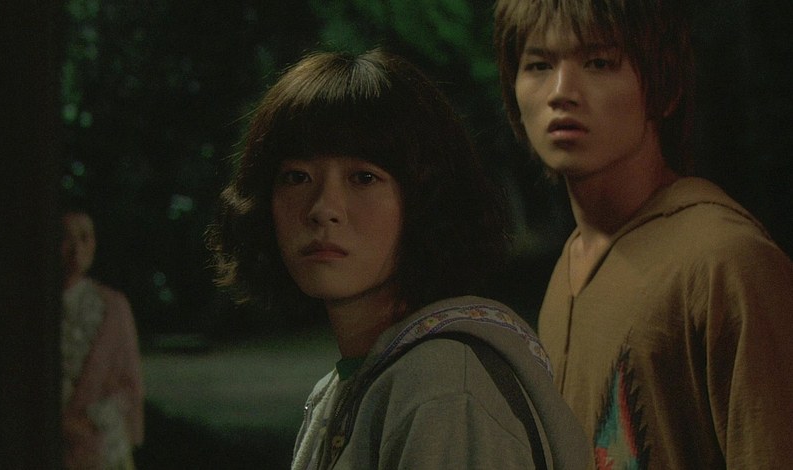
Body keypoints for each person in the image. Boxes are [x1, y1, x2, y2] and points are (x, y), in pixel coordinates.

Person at [207, 49, 589, 469]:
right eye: (297, 177)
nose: (323, 208)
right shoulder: (351, 386)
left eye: (363, 177)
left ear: (426, 200)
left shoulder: (443, 390)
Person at [493, 0, 793, 468]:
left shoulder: (724, 259)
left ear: (663, 89)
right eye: (538, 65)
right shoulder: (569, 268)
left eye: (598, 62)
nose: (562, 92)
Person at [60, 210, 145, 469]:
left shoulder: (113, 307)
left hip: (103, 448)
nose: (76, 248)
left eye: (84, 238)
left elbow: (130, 387)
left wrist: (90, 420)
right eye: (66, 238)